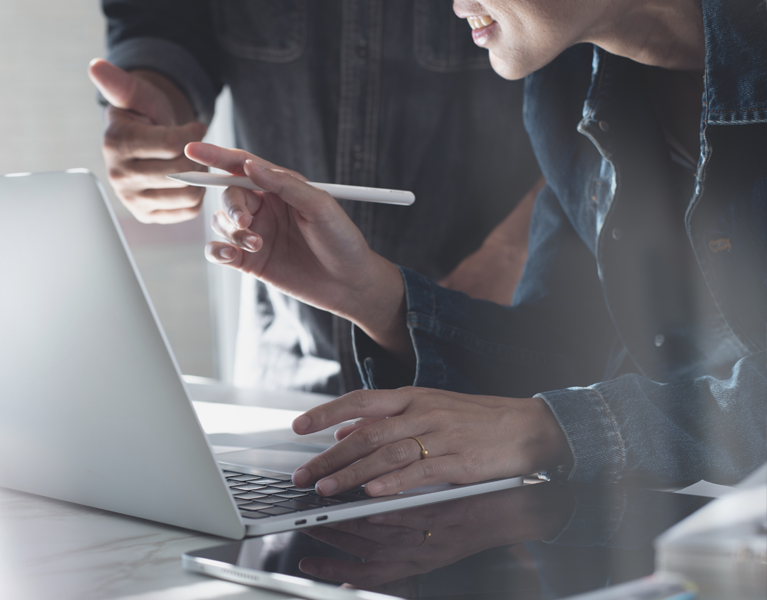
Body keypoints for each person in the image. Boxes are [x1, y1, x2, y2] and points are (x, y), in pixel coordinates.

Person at [191, 0, 767, 496]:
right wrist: (371, 294)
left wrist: (552, 429)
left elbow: (556, 417)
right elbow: (566, 353)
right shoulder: (563, 87)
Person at [89, 0, 542, 395]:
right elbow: (164, 21)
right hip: (289, 362)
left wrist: (518, 247)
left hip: (493, 345)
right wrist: (158, 119)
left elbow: (595, 78)